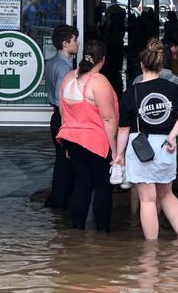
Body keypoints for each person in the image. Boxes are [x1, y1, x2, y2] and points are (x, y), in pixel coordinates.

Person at [117, 39, 178, 240]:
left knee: (148, 200)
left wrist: (118, 155)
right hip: (165, 147)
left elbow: (123, 128)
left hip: (140, 147)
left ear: (142, 65)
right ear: (160, 65)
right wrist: (172, 135)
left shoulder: (131, 92)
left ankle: (151, 250)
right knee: (166, 194)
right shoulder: (172, 88)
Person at [56, 40, 119, 232]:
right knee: (102, 186)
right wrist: (116, 152)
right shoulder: (99, 81)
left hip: (71, 139)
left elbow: (62, 111)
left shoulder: (68, 77)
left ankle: (77, 230)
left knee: (81, 184)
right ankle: (102, 232)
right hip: (96, 141)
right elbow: (108, 119)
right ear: (103, 60)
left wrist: (66, 145)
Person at [41, 25, 79, 208]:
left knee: (61, 159)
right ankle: (60, 200)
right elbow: (60, 98)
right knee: (65, 159)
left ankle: (58, 198)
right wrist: (67, 125)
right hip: (63, 117)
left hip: (56, 117)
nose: (78, 43)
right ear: (65, 44)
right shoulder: (64, 67)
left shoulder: (51, 62)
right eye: (74, 40)